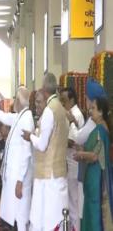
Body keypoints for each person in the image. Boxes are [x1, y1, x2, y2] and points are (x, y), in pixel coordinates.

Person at [22, 73, 69, 231]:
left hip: (48, 176)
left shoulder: (50, 111)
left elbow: (42, 145)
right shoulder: (61, 109)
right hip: (58, 172)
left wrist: (31, 137)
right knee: (58, 217)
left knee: (45, 219)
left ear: (44, 89)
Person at [0, 86, 34, 231]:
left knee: (21, 215)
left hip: (19, 177)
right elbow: (4, 117)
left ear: (19, 100)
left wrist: (20, 180)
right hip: (13, 176)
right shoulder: (19, 116)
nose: (13, 101)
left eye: (15, 98)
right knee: (15, 215)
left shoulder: (26, 119)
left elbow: (26, 153)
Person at [74, 97, 113, 231]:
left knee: (95, 216)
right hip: (92, 179)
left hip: (97, 181)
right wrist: (82, 151)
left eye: (93, 108)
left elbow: (95, 156)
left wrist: (81, 154)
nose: (90, 111)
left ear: (101, 112)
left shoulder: (101, 131)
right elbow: (93, 152)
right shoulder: (98, 129)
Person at [60, 87, 85, 231]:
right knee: (69, 203)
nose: (62, 104)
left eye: (64, 100)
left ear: (72, 100)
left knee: (74, 203)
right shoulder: (70, 113)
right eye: (61, 100)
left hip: (73, 162)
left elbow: (73, 140)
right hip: (69, 161)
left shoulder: (75, 114)